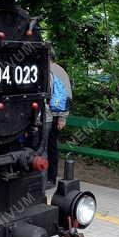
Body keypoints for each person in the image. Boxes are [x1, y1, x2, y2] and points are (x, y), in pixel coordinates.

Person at [47, 59, 73, 187]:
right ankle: (50, 177)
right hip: (56, 114)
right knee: (51, 146)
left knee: (49, 147)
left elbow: (66, 95)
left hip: (52, 115)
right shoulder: (61, 70)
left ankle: (50, 178)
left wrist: (62, 117)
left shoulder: (52, 70)